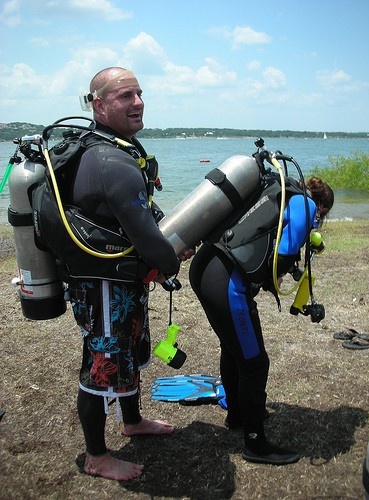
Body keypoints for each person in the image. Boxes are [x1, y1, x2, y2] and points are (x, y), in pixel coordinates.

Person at [66, 67, 187, 481]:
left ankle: (132, 420)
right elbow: (146, 236)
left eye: (139, 92)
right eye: (124, 96)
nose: (137, 102)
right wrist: (171, 259)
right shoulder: (109, 160)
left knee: (129, 352)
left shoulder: (118, 147)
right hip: (103, 284)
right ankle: (96, 456)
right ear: (98, 105)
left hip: (121, 278)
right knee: (102, 363)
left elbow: (141, 219)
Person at [189, 175, 334, 466]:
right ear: (321, 206)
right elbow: (283, 252)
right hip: (226, 283)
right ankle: (256, 443)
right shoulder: (305, 205)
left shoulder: (275, 194)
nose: (318, 222)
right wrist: (280, 271)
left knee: (235, 350)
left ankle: (237, 416)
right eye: (322, 216)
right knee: (255, 363)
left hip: (205, 267)